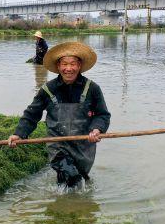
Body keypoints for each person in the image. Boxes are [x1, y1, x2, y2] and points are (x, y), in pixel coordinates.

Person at [8, 42, 111, 187]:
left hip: (84, 144)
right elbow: (32, 114)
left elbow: (102, 115)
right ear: (58, 67)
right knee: (70, 175)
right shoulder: (48, 89)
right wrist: (19, 133)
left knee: (78, 179)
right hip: (58, 144)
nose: (68, 69)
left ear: (79, 66)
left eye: (73, 64)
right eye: (64, 64)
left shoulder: (92, 88)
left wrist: (96, 129)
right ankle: (67, 206)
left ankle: (66, 205)